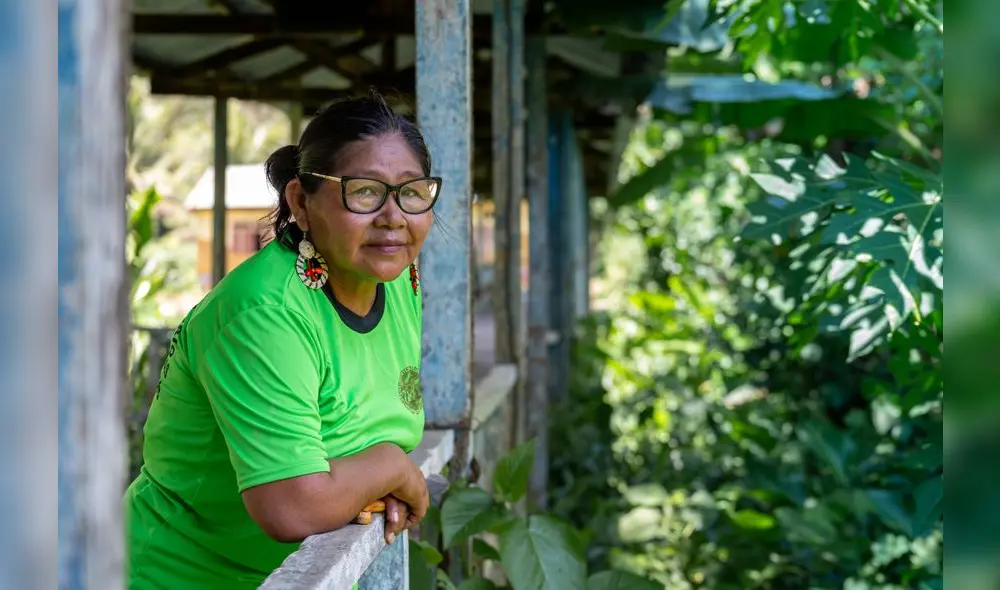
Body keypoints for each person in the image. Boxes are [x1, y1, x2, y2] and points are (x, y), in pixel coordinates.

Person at [125, 90, 440, 589]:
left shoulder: (397, 281)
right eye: (363, 192)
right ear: (301, 201)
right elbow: (291, 505)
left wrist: (362, 482)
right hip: (179, 575)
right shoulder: (263, 314)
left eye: (412, 192)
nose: (393, 217)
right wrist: (390, 467)